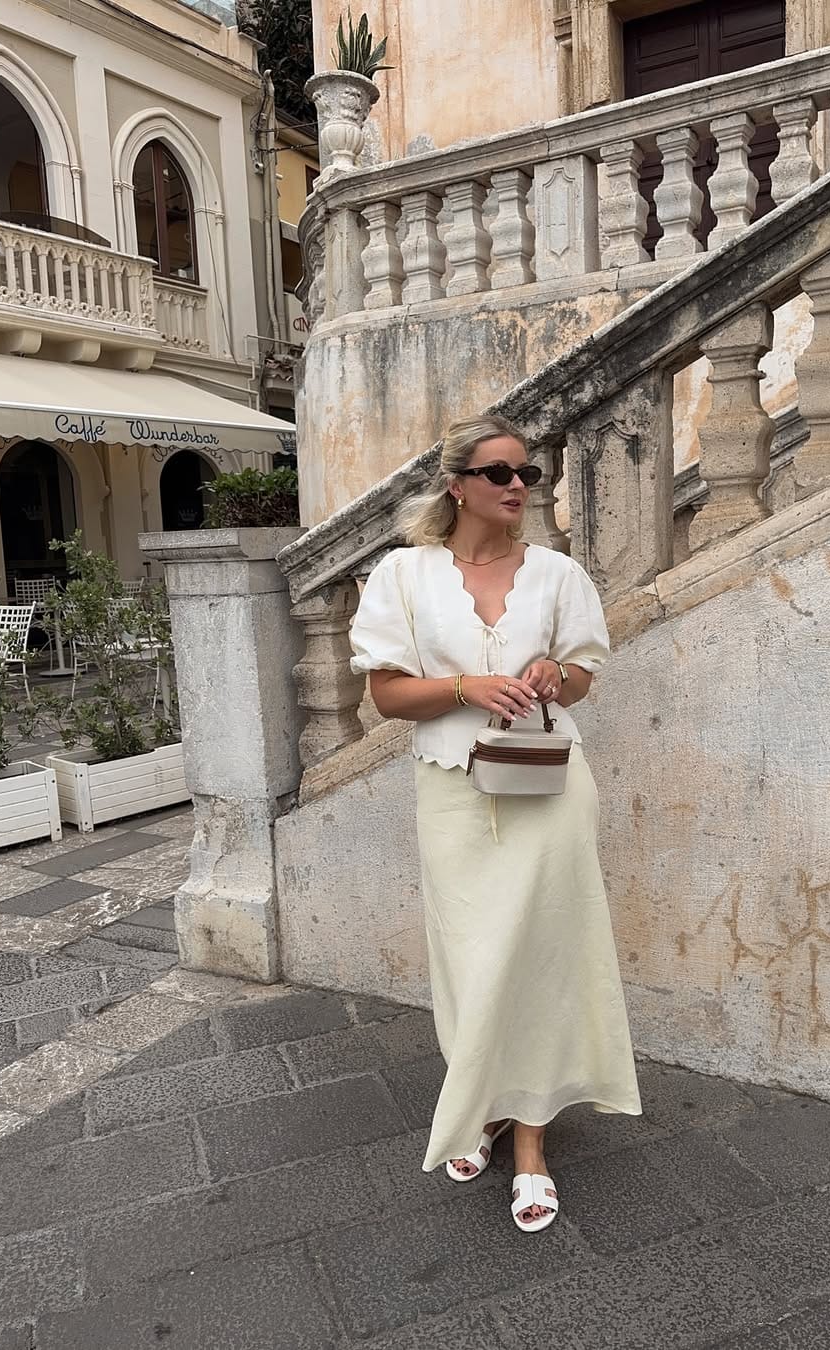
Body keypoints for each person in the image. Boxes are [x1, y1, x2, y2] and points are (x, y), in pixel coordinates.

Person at [349, 413, 641, 1233]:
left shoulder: (557, 574)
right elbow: (386, 695)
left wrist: (554, 674)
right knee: (473, 960)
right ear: (457, 485)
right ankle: (482, 1103)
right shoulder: (403, 575)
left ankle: (532, 1144)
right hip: (452, 791)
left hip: (548, 790)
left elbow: (582, 677)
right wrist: (465, 687)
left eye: (527, 474)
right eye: (500, 473)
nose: (518, 486)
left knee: (542, 957)